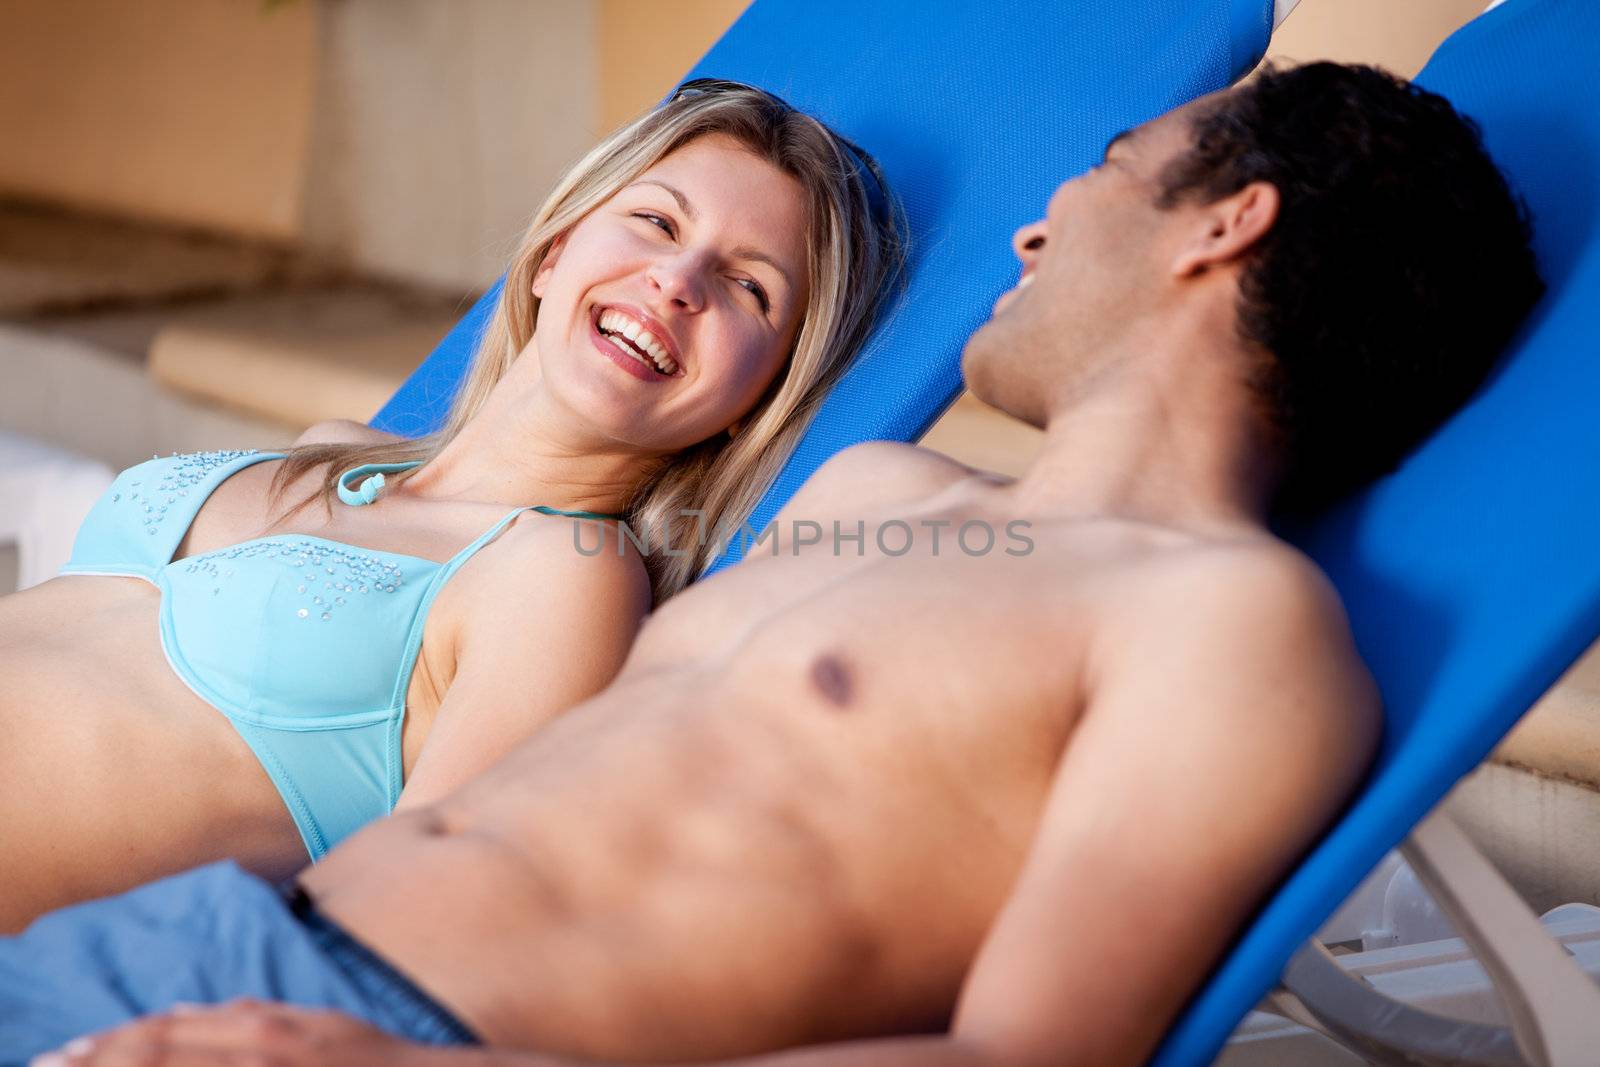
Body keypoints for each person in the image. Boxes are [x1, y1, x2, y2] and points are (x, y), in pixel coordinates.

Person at [9, 62, 1542, 1067]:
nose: (1031, 231)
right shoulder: (873, 490)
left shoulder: (1226, 624)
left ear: (1226, 224)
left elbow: (1030, 1056)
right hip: (204, 947)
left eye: (1112, 167)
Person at [0, 80, 902, 931]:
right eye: (656, 222)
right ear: (556, 253)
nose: (678, 280)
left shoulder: (559, 576)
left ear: (760, 393)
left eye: (750, 287)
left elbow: (412, 911)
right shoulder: (330, 444)